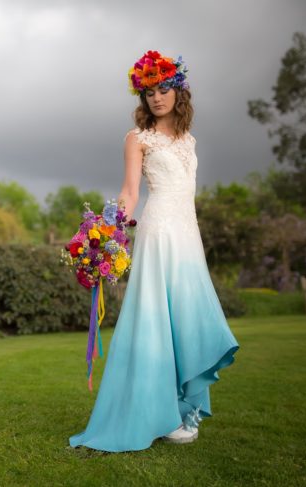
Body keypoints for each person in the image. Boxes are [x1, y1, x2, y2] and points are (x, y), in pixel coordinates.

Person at [68, 50, 240, 452]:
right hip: (158, 233)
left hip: (187, 235)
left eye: (164, 89)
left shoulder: (189, 139)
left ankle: (182, 408)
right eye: (149, 92)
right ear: (142, 99)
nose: (157, 98)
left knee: (186, 319)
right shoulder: (137, 139)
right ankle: (155, 413)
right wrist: (104, 238)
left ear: (178, 92)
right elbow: (129, 193)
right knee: (155, 324)